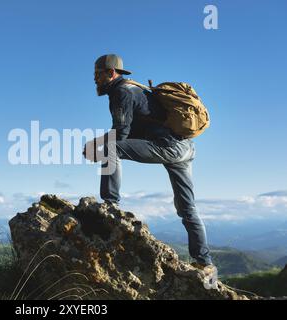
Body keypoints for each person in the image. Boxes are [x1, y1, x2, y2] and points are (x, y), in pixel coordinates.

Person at [84, 54, 214, 270]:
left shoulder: (121, 91)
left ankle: (110, 206)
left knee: (111, 148)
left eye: (97, 74)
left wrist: (94, 145)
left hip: (169, 147)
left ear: (110, 73)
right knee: (187, 208)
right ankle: (204, 262)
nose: (94, 79)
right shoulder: (136, 88)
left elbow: (121, 134)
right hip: (185, 147)